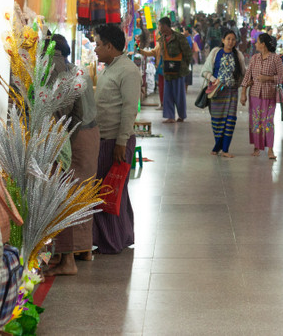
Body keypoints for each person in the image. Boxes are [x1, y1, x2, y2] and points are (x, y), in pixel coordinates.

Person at [46, 34, 99, 276]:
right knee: (82, 192)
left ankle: (68, 261)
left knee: (66, 193)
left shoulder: (58, 69)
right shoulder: (75, 69)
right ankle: (84, 250)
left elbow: (64, 112)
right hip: (90, 135)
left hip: (78, 139)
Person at [93, 23, 142, 255]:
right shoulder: (109, 68)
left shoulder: (128, 71)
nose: (95, 49)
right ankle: (116, 238)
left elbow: (130, 109)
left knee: (110, 191)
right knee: (110, 191)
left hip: (115, 140)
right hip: (104, 139)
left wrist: (121, 141)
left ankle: (112, 241)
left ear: (110, 47)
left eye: (98, 45)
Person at [239, 32, 283, 160]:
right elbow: (247, 76)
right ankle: (257, 146)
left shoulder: (275, 58)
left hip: (269, 95)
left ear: (263, 44)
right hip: (254, 94)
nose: (255, 44)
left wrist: (268, 78)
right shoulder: (254, 58)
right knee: (255, 121)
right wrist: (243, 93)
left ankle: (270, 149)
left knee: (268, 122)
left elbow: (282, 76)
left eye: (257, 42)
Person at [201, 29, 246, 157]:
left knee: (230, 120)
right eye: (228, 39)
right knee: (217, 120)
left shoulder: (238, 55)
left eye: (233, 39)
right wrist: (214, 80)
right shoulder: (215, 52)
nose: (230, 42)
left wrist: (244, 90)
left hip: (232, 93)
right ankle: (218, 145)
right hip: (216, 93)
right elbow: (204, 71)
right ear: (223, 40)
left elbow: (244, 73)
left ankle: (225, 149)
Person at [143, 17, 192, 123]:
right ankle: (170, 116)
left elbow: (187, 53)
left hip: (179, 71)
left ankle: (181, 115)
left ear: (165, 26)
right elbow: (156, 52)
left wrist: (184, 66)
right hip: (167, 70)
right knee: (168, 94)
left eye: (159, 25)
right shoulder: (161, 39)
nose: (158, 27)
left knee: (179, 94)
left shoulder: (179, 37)